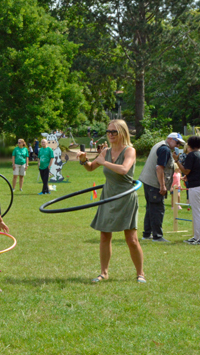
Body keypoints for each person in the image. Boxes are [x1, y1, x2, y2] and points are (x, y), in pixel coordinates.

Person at [77, 120, 145, 283]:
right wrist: (83, 160)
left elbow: (123, 170)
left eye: (114, 132)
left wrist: (103, 162)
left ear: (122, 133)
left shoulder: (130, 151)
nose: (110, 135)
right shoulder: (105, 151)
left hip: (125, 197)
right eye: (108, 132)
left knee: (132, 239)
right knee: (104, 236)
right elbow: (91, 167)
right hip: (108, 196)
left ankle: (140, 273)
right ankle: (104, 272)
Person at [138, 132, 186, 242]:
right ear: (170, 139)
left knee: (150, 208)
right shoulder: (164, 149)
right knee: (157, 209)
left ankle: (147, 234)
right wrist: (163, 186)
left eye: (180, 144)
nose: (178, 146)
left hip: (148, 182)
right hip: (155, 184)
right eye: (177, 142)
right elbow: (159, 168)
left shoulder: (159, 145)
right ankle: (157, 236)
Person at [173, 135, 200, 245]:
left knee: (198, 213)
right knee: (198, 212)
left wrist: (177, 160)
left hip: (196, 187)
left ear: (189, 145)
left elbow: (186, 171)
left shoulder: (191, 155)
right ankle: (196, 237)